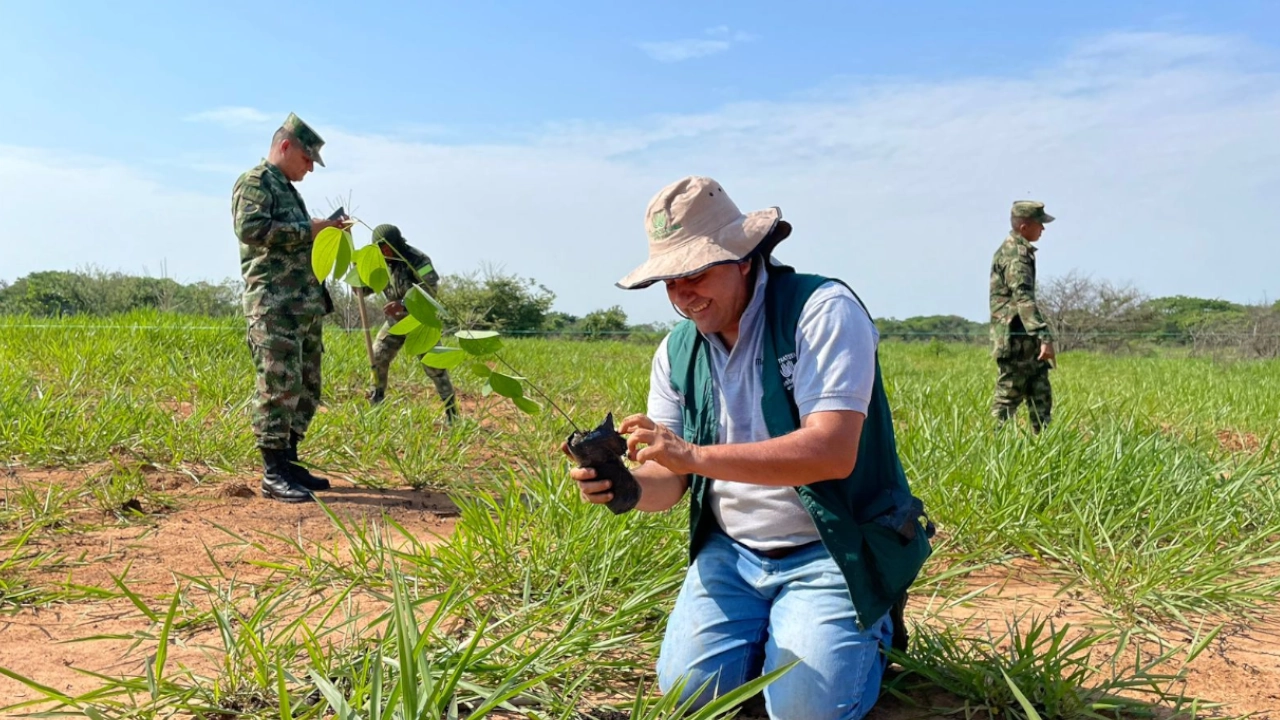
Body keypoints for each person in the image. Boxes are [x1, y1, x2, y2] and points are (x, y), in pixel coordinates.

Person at [567, 176, 933, 720]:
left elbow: (831, 452)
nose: (682, 295)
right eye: (669, 281)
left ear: (742, 258)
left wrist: (692, 455)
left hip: (832, 548)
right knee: (690, 695)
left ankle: (869, 626)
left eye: (695, 273)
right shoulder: (677, 351)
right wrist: (625, 488)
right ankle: (783, 635)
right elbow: (671, 482)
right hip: (732, 551)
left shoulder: (820, 310)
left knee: (809, 710)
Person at [231, 112, 346, 503]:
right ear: (285, 147)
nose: (310, 168)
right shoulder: (256, 182)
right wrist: (310, 230)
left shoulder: (287, 190)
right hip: (274, 305)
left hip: (302, 306)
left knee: (306, 386)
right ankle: (273, 472)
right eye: (307, 159)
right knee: (278, 386)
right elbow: (252, 230)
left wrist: (324, 232)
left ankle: (289, 460)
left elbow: (295, 242)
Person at [359, 224, 460, 421]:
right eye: (380, 249)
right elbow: (367, 288)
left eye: (387, 248)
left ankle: (451, 413)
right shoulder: (379, 264)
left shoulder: (418, 259)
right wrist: (358, 282)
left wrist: (403, 304)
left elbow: (430, 289)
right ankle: (376, 407)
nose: (385, 252)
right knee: (377, 356)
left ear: (396, 243)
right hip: (395, 322)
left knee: (435, 366)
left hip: (419, 320)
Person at [989, 200, 1056, 432]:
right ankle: (992, 445)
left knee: (1041, 394)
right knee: (1007, 399)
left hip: (1025, 339)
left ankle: (1044, 445)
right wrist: (1044, 337)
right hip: (1015, 341)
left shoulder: (1019, 251)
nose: (1043, 228)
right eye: (1040, 223)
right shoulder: (1016, 256)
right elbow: (1023, 298)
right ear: (1024, 227)